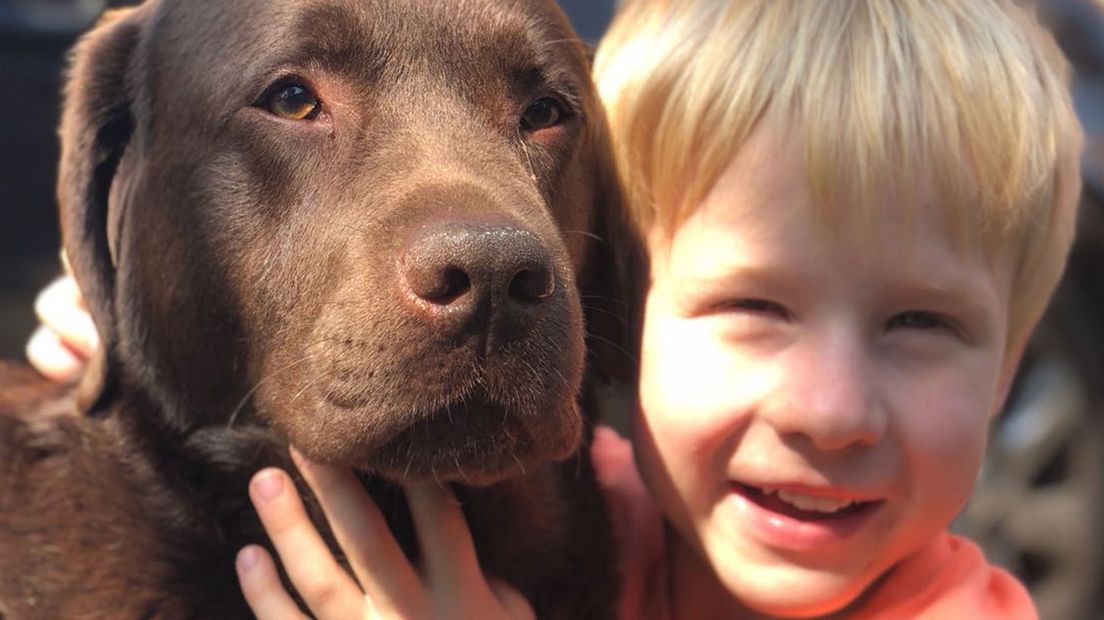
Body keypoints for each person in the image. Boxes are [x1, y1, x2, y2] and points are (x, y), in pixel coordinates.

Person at [28, 0, 1082, 617]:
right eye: (754, 305)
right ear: (637, 290)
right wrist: (111, 313)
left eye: (539, 117)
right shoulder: (636, 512)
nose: (828, 407)